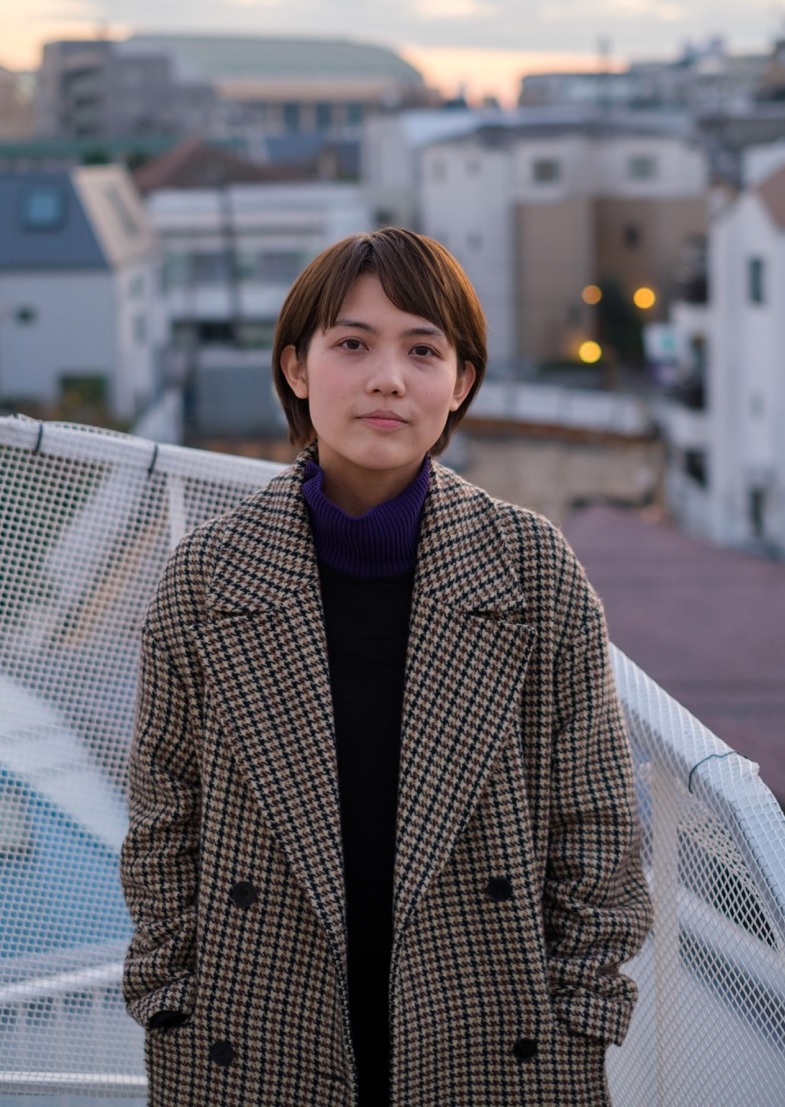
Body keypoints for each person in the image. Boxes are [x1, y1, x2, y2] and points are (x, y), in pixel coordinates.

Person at [120, 227, 652, 1107]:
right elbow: (162, 816)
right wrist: (171, 997)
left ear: (461, 382)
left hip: (492, 1032)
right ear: (296, 368)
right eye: (352, 344)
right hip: (251, 1030)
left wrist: (579, 1011)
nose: (387, 378)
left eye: (422, 350)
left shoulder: (531, 568)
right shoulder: (209, 576)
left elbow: (594, 819)